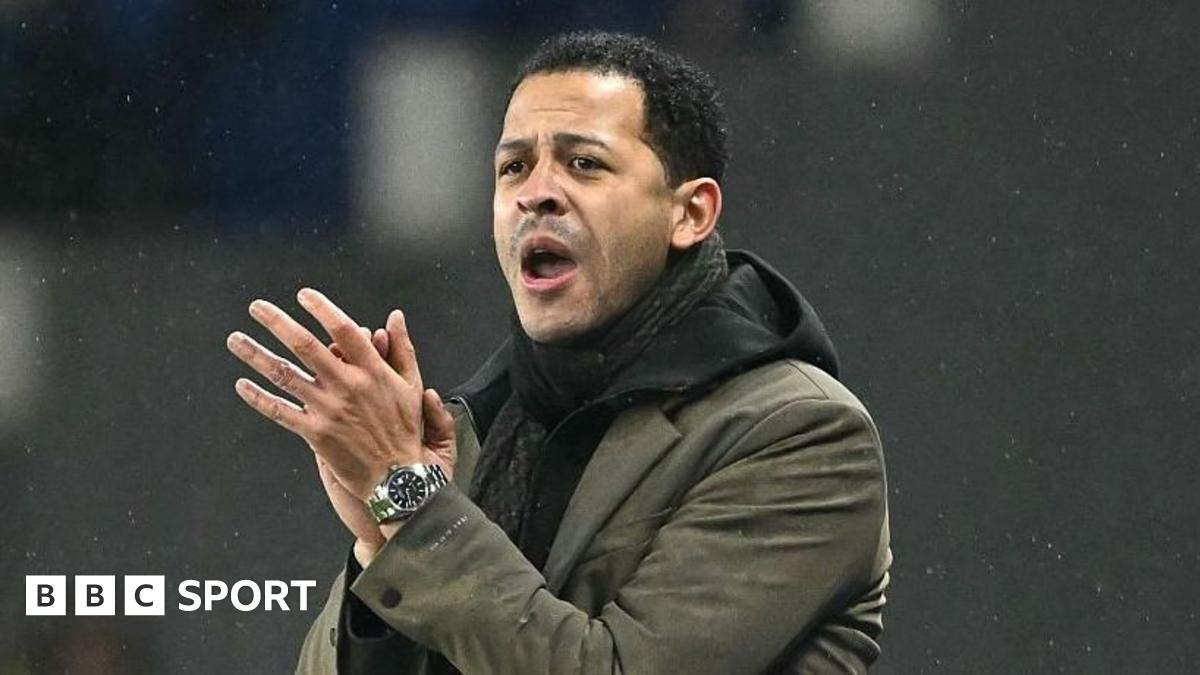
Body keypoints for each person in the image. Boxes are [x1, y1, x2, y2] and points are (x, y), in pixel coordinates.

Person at [227, 31, 892, 674]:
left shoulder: (800, 435)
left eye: (584, 163)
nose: (534, 192)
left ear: (690, 213)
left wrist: (410, 505)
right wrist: (380, 546)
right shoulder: (466, 431)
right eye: (513, 166)